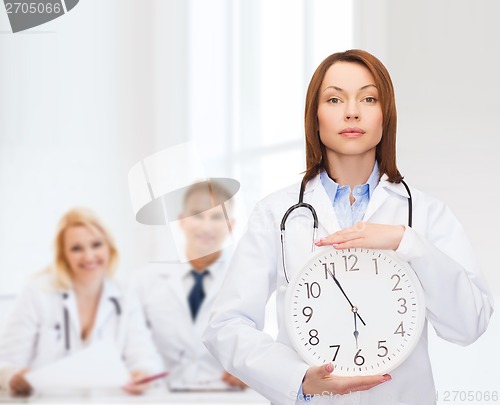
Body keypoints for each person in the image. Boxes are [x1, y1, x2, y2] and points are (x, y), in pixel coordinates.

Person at [203, 49, 494, 405]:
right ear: (315, 117)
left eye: (368, 98)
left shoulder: (426, 214)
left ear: (386, 116)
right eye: (334, 98)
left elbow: (470, 325)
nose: (352, 111)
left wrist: (408, 243)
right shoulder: (276, 214)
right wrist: (299, 379)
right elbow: (225, 325)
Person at [0, 208, 163, 396]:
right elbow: (5, 361)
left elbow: (144, 355)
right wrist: (13, 378)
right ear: (63, 255)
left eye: (96, 245)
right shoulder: (37, 293)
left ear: (109, 247)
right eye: (76, 248)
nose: (89, 256)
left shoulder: (125, 295)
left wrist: (142, 373)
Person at [134, 180, 246, 389]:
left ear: (231, 226)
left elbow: (263, 347)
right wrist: (141, 371)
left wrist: (252, 372)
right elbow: (133, 343)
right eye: (197, 215)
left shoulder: (246, 281)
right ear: (182, 221)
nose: (206, 226)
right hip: (161, 397)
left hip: (227, 398)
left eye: (216, 217)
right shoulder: (144, 282)